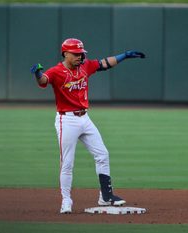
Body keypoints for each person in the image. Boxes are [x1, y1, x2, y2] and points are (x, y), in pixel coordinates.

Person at [30, 38, 145, 214]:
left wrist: (125, 56)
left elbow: (104, 64)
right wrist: (38, 74)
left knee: (102, 154)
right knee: (67, 163)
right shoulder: (56, 71)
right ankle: (66, 201)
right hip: (66, 120)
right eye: (76, 54)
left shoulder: (85, 66)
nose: (80, 56)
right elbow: (44, 81)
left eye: (81, 53)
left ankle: (106, 196)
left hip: (85, 118)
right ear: (65, 54)